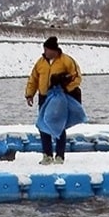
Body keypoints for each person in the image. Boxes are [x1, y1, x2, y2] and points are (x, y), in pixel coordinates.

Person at [24, 36, 83, 165]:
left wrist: (65, 89)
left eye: (46, 49)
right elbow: (33, 78)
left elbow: (77, 77)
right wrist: (29, 94)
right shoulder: (40, 62)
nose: (44, 52)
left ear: (53, 50)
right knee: (43, 125)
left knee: (58, 125)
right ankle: (47, 155)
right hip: (44, 97)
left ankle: (60, 156)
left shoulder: (66, 61)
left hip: (58, 98)